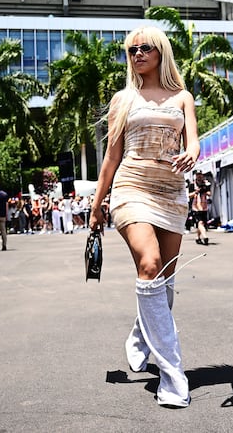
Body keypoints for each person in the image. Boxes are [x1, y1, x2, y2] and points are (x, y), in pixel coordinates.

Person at [89, 25, 199, 408]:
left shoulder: (183, 97)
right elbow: (111, 156)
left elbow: (194, 142)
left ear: (161, 52)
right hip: (131, 187)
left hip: (171, 192)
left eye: (145, 47)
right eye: (131, 49)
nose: (137, 54)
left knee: (164, 279)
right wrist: (96, 203)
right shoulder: (123, 99)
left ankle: (140, 335)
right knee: (149, 265)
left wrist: (193, 152)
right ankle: (173, 378)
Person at [188, 170, 211, 245]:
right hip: (196, 206)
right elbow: (189, 195)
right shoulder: (192, 185)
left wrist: (205, 190)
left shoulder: (206, 184)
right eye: (198, 175)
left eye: (200, 175)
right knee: (200, 222)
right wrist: (196, 192)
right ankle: (205, 237)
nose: (199, 176)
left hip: (204, 206)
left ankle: (197, 238)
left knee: (202, 224)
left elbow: (209, 193)